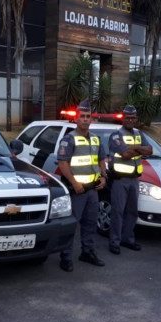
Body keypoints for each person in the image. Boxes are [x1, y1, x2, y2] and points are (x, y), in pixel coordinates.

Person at [56, 99, 108, 272]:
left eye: (88, 116)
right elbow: (62, 163)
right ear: (76, 119)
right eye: (82, 116)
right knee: (72, 224)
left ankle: (87, 252)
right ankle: (66, 257)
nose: (85, 119)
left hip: (93, 189)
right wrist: (74, 182)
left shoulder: (96, 139)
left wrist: (103, 176)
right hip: (77, 190)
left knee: (90, 223)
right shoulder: (69, 140)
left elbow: (102, 159)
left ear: (91, 119)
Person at [108, 105, 152, 253]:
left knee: (132, 212)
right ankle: (115, 242)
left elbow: (150, 150)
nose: (131, 120)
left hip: (135, 179)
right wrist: (140, 149)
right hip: (120, 180)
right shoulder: (116, 135)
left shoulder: (140, 133)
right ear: (123, 118)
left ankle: (128, 239)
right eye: (128, 117)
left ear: (136, 119)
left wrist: (133, 149)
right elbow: (125, 155)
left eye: (133, 117)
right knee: (118, 212)